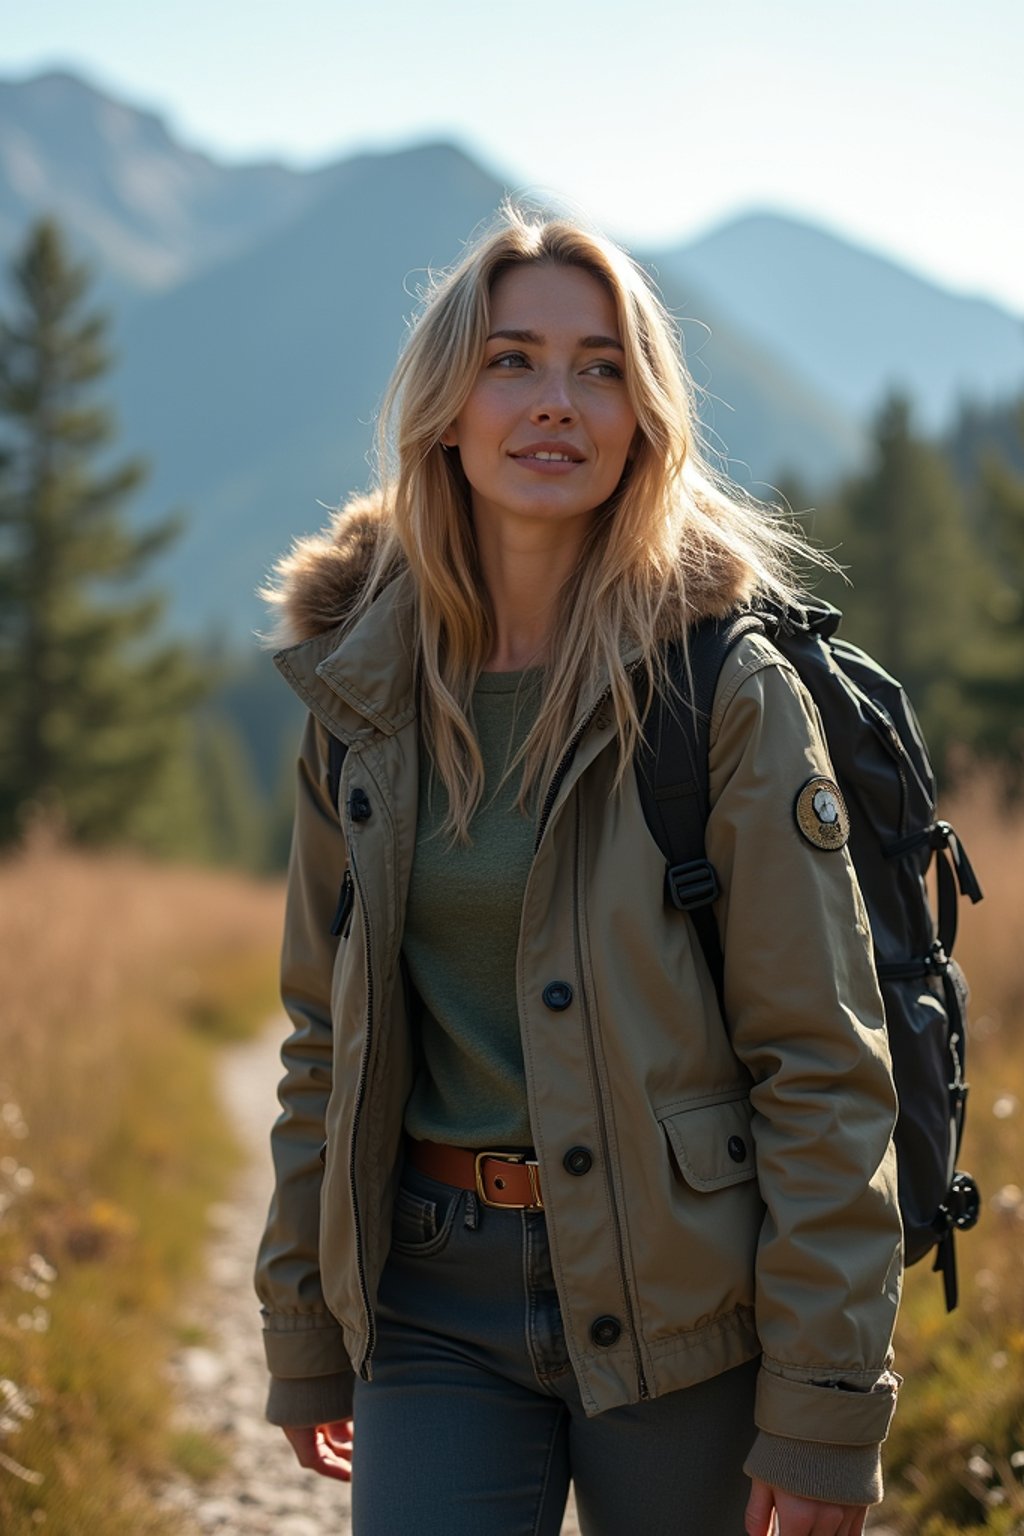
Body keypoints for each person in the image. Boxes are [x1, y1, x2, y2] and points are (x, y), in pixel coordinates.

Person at [254, 202, 903, 1536]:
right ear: (445, 407)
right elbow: (326, 1039)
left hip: (686, 1307)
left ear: (644, 419)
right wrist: (305, 1322)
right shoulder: (360, 692)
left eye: (602, 366)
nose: (559, 401)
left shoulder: (722, 689)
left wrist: (826, 1398)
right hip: (432, 1300)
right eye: (513, 360)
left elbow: (822, 1064)